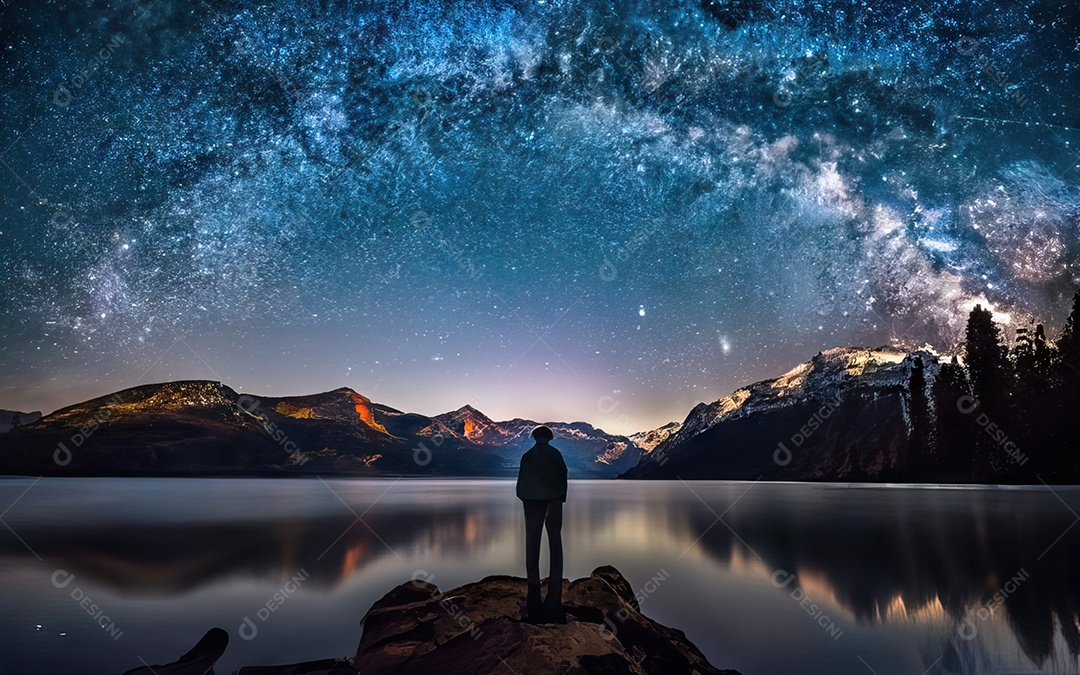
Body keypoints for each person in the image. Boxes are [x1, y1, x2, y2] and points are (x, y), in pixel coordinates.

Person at [516, 424, 568, 623]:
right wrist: (560, 497)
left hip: (531, 501)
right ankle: (554, 597)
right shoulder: (555, 455)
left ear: (534, 437)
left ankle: (533, 596)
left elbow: (521, 482)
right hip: (554, 500)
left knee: (532, 541)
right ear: (549, 438)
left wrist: (525, 496)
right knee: (555, 542)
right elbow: (562, 476)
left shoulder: (527, 456)